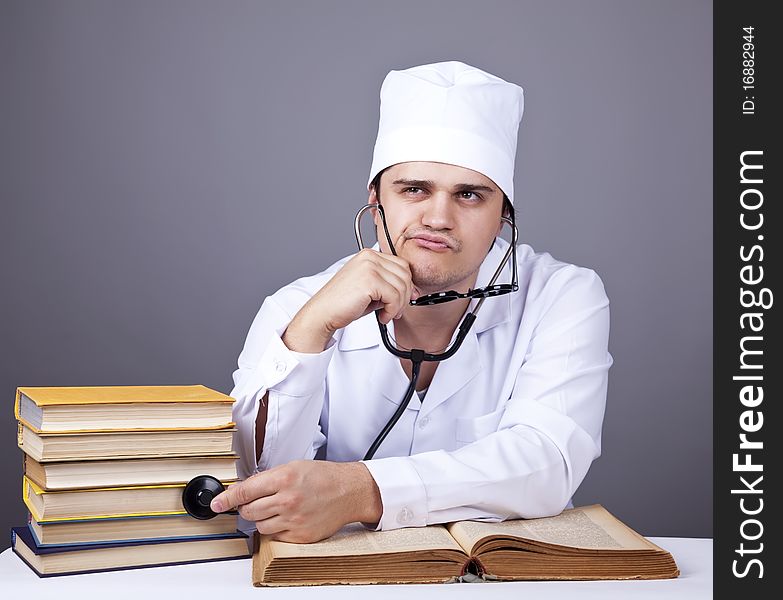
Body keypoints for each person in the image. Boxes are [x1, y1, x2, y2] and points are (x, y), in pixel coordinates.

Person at [210, 61, 613, 544]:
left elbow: (548, 461)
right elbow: (260, 491)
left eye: (469, 195)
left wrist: (363, 491)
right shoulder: (294, 310)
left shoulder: (563, 295)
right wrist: (311, 334)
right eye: (414, 189)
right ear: (376, 200)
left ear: (503, 214)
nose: (438, 217)